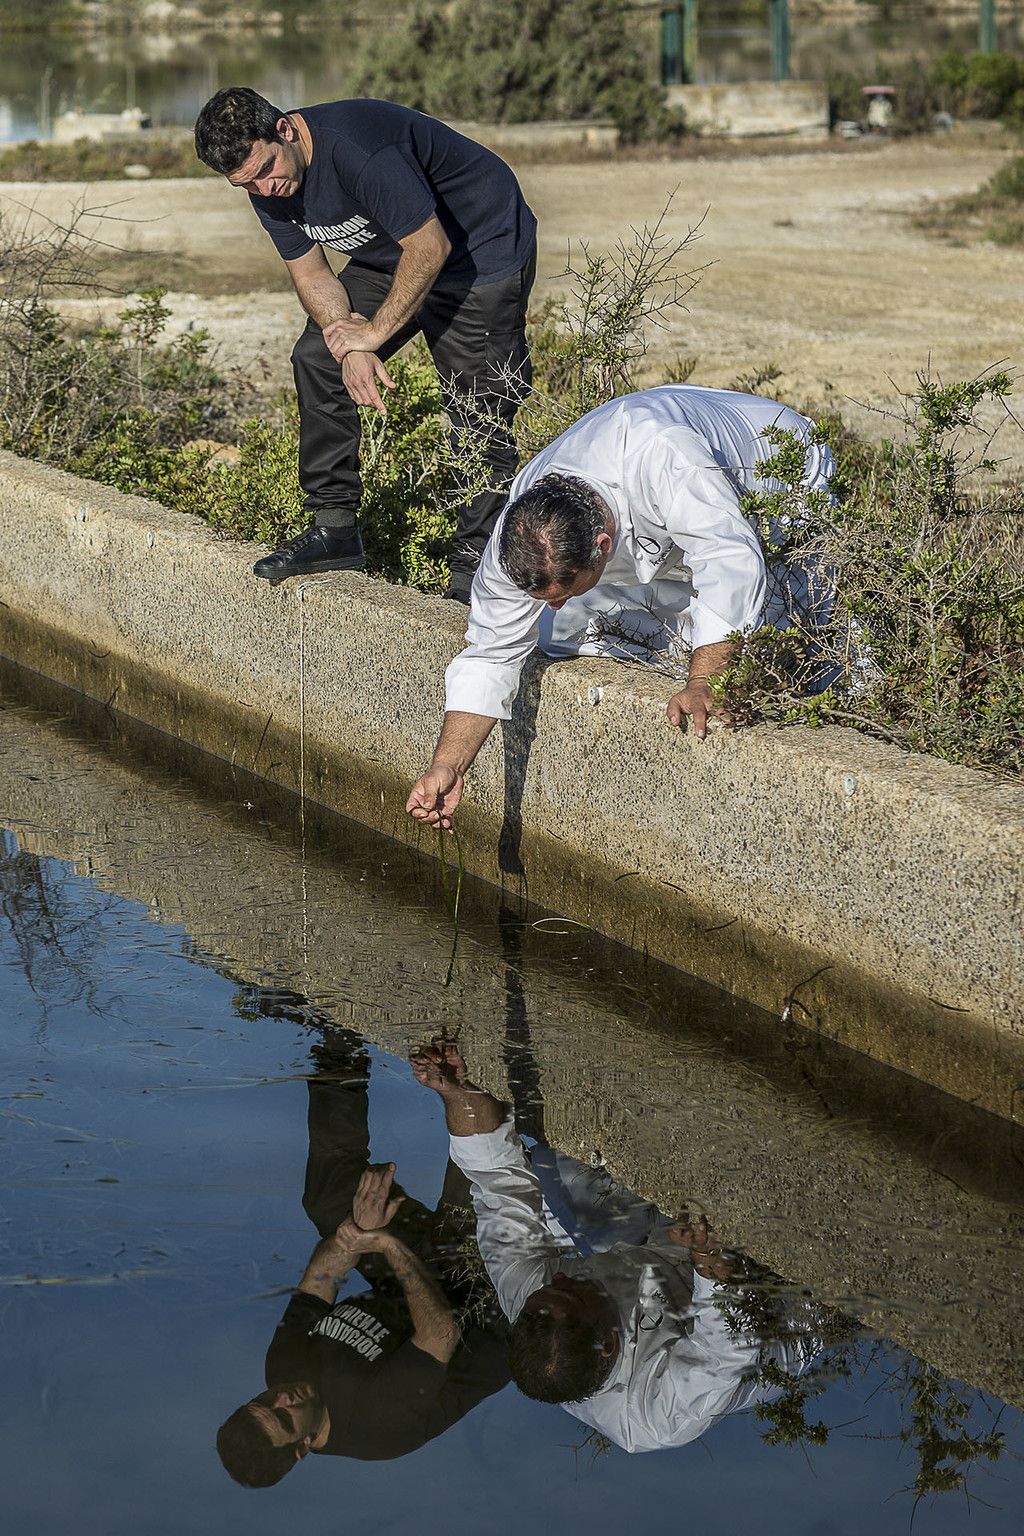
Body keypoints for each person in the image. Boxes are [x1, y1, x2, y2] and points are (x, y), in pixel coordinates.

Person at [406, 383, 835, 828]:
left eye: (563, 593)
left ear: (602, 547)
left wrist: (705, 679)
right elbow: (491, 653)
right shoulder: (519, 538)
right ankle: (687, 649)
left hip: (779, 478)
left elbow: (729, 559)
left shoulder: (665, 457)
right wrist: (448, 766)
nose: (555, 606)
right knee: (555, 632)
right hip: (667, 532)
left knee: (802, 633)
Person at [194, 88, 537, 598]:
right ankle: (334, 530)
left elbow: (431, 246)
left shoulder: (359, 150)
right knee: (317, 358)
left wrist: (374, 332)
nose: (266, 189)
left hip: (479, 252)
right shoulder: (266, 186)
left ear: (285, 129)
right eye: (247, 184)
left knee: (477, 406)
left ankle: (475, 569)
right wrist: (350, 344)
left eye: (266, 169)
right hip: (394, 255)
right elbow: (311, 274)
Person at [412, 1039, 824, 1454]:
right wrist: (708, 1260)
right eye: (573, 1292)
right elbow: (727, 1348)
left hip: (657, 1252)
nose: (561, 1277)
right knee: (798, 1255)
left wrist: (456, 1092)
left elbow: (497, 1182)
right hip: (775, 1324)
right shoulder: (654, 1416)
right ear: (608, 1342)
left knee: (555, 1170)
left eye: (549, 1286)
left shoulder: (533, 1298)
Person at [215, 1037, 509, 1487]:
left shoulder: (282, 1371)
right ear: (302, 1448)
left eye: (263, 1401)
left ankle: (338, 1048)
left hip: (408, 1279)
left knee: (328, 1201)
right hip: (480, 1306)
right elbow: (441, 1332)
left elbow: (320, 1279)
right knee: (475, 1188)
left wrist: (355, 1232)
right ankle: (480, 1084)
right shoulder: (377, 1427)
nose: (282, 1398)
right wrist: (382, 1243)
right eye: (285, 1417)